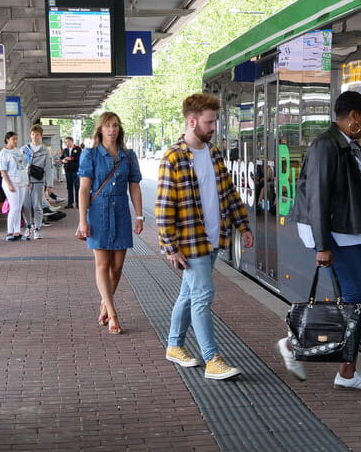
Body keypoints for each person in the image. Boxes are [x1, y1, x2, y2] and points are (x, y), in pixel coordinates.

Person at [279, 90, 361, 390]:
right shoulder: (327, 145)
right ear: (352, 117)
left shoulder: (346, 144)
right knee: (354, 299)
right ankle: (336, 368)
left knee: (352, 300)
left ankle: (338, 368)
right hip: (337, 233)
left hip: (344, 230)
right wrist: (323, 245)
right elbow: (318, 196)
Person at [156, 93, 253, 380]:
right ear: (192, 121)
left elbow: (228, 192)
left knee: (189, 295)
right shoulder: (173, 157)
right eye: (209, 123)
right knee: (202, 296)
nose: (214, 128)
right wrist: (170, 246)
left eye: (214, 122)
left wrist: (243, 225)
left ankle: (174, 345)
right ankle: (212, 359)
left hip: (214, 239)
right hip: (190, 241)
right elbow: (164, 207)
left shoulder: (214, 153)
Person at [76, 111, 143, 335]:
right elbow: (84, 189)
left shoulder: (128, 155)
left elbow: (134, 186)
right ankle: (113, 314)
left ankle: (105, 303)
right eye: (107, 126)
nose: (112, 130)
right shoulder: (90, 154)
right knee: (103, 264)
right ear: (100, 129)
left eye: (115, 125)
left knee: (118, 266)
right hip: (98, 212)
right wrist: (82, 220)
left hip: (121, 211)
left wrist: (139, 216)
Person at [23, 124, 53, 239]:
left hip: (38, 181)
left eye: (37, 135)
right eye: (33, 134)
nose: (34, 137)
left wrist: (49, 185)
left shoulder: (45, 151)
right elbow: (20, 166)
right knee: (25, 206)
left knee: (37, 206)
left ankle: (37, 228)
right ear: (30, 135)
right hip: (25, 182)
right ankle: (28, 226)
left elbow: (48, 168)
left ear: (41, 136)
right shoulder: (24, 149)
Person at [0, 131, 28, 241]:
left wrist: (27, 181)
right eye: (13, 139)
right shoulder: (3, 153)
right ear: (7, 140)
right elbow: (3, 171)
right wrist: (9, 184)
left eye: (16, 139)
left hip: (22, 182)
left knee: (19, 207)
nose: (15, 141)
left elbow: (23, 167)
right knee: (14, 207)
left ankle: (17, 232)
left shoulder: (18, 151)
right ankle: (9, 232)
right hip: (11, 182)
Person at [59, 137, 81, 207]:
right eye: (65, 142)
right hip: (67, 171)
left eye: (68, 141)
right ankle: (70, 203)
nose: (66, 143)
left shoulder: (77, 149)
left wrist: (70, 158)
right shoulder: (65, 150)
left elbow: (79, 158)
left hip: (75, 171)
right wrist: (62, 161)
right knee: (69, 187)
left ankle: (78, 204)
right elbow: (61, 158)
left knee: (77, 187)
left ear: (72, 141)